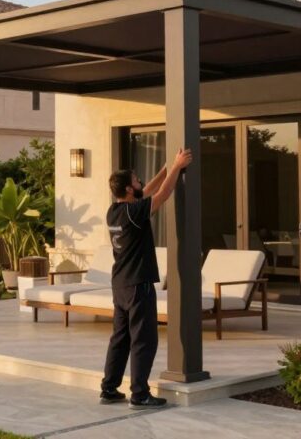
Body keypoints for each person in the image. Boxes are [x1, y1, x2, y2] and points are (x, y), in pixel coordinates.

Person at [99, 148, 193, 409]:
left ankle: (109, 388)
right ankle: (139, 394)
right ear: (129, 189)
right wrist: (176, 167)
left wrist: (165, 169)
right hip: (138, 284)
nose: (140, 182)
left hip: (120, 285)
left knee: (120, 338)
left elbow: (147, 193)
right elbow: (161, 195)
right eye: (137, 180)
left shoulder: (114, 211)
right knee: (144, 339)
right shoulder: (134, 213)